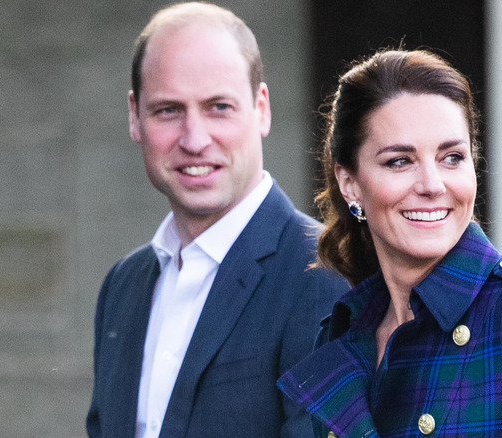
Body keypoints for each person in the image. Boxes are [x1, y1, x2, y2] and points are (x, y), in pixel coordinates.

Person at [277, 49, 502, 437]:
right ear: (350, 183)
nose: (432, 185)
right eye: (399, 161)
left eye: (452, 157)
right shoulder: (344, 330)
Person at [86, 3, 348, 437]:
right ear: (135, 117)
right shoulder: (122, 286)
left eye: (218, 107)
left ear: (261, 108)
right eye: (168, 110)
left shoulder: (323, 274)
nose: (194, 139)